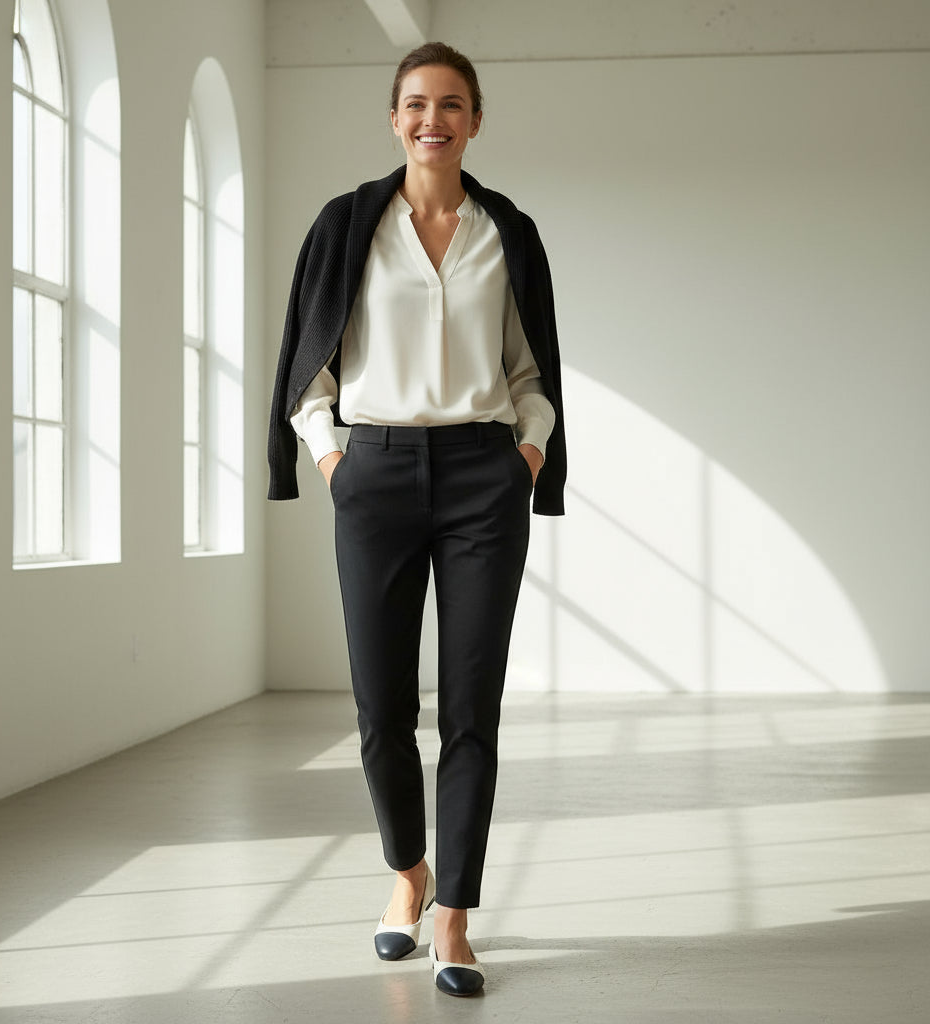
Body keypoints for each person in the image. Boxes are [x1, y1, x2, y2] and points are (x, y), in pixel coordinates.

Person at [268, 41, 566, 997]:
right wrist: (332, 456)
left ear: (476, 119)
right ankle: (407, 875)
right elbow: (304, 368)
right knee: (380, 709)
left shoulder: (506, 231)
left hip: (485, 475)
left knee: (471, 710)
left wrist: (524, 450)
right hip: (377, 471)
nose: (431, 119)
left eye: (451, 103)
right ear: (394, 119)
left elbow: (533, 371)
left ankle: (455, 919)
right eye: (414, 104)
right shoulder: (349, 224)